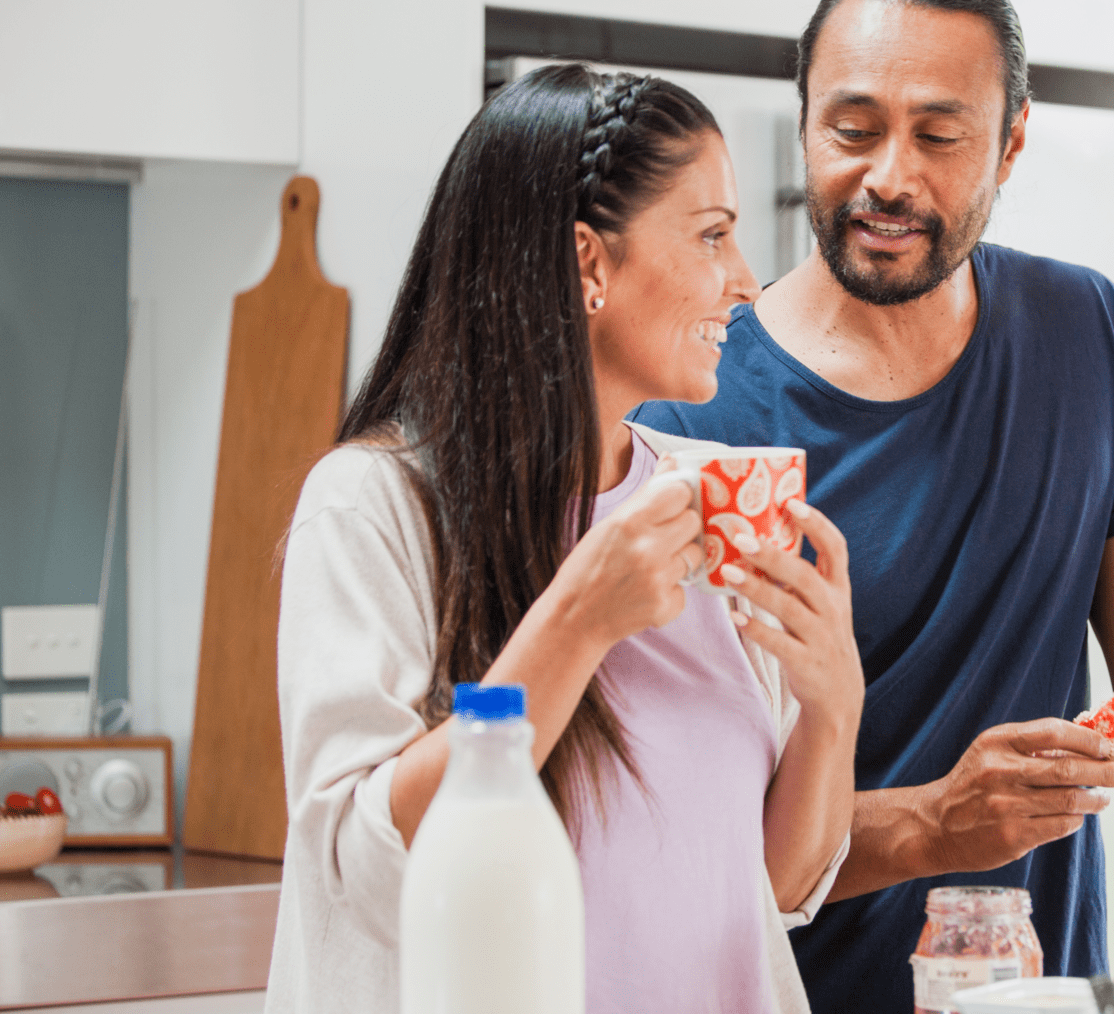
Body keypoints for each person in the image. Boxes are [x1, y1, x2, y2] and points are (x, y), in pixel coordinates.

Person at [631, 0, 1114, 1006]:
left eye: (940, 135)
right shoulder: (691, 406)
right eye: (854, 128)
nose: (889, 177)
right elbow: (670, 828)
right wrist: (939, 818)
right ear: (802, 127)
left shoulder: (1085, 335)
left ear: (1008, 147)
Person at [266, 65, 863, 1014]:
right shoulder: (371, 508)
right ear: (590, 263)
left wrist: (835, 703)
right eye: (712, 235)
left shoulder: (704, 497)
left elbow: (771, 890)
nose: (746, 281)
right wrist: (578, 623)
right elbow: (366, 870)